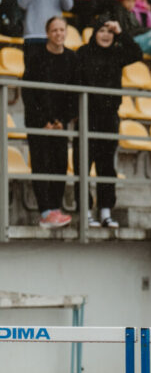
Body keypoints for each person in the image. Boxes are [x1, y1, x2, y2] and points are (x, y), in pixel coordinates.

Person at [75, 19, 143, 228]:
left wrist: (121, 32)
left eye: (109, 32)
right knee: (83, 164)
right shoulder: (83, 52)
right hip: (87, 115)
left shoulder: (116, 53)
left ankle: (105, 211)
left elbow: (136, 53)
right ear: (94, 32)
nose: (106, 35)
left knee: (106, 166)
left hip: (109, 117)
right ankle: (85, 211)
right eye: (102, 31)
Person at [22, 16, 78, 228]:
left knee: (60, 164)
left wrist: (62, 121)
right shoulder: (36, 57)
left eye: (62, 30)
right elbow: (30, 93)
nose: (58, 34)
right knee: (42, 164)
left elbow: (74, 94)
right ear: (48, 33)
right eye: (54, 30)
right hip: (39, 123)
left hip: (60, 124)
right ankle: (45, 211)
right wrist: (43, 121)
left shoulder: (71, 59)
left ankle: (55, 208)